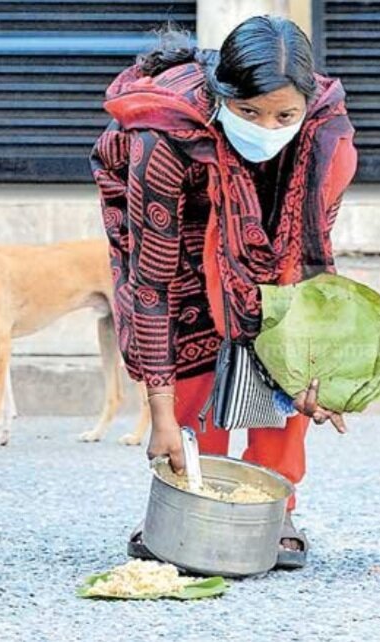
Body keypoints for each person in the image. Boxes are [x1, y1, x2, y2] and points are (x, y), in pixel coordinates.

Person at [90, 15, 357, 568]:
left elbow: (309, 273)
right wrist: (160, 412)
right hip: (182, 223)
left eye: (284, 114)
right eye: (249, 112)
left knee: (281, 338)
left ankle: (275, 503)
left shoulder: (326, 140)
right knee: (192, 339)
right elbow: (152, 284)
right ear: (221, 96)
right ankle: (189, 488)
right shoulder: (160, 138)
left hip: (272, 228)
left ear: (306, 105)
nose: (267, 125)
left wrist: (318, 365)